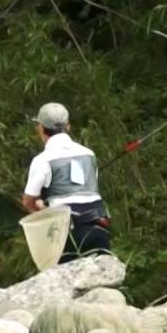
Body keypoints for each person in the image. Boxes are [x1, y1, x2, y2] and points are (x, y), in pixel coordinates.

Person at [21, 102, 111, 263]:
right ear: (68, 126)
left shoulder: (42, 160)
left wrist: (42, 210)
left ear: (40, 128)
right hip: (99, 228)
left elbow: (28, 201)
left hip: (66, 237)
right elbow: (84, 191)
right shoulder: (89, 154)